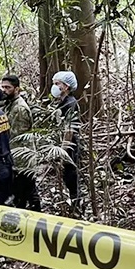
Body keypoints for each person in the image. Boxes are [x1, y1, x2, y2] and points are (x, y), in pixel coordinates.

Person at [1, 74, 41, 211]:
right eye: (3, 87)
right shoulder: (9, 104)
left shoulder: (19, 108)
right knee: (24, 193)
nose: (4, 90)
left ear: (16, 89)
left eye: (8, 87)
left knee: (26, 193)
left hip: (22, 159)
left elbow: (17, 137)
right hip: (16, 157)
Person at [51, 71, 81, 208]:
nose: (55, 87)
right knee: (67, 177)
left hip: (70, 146)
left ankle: (76, 205)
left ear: (66, 86)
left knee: (71, 177)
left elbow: (69, 130)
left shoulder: (70, 103)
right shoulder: (62, 102)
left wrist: (62, 152)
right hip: (64, 145)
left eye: (57, 84)